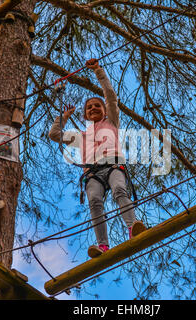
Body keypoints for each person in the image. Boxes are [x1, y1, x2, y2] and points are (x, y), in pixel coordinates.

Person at [48, 58, 146, 258]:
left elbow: (110, 96)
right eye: (89, 107)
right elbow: (54, 135)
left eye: (96, 106)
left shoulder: (111, 121)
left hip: (113, 165)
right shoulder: (81, 137)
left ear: (104, 110)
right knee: (94, 201)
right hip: (92, 172)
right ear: (84, 115)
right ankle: (103, 245)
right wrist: (64, 117)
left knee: (119, 189)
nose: (93, 108)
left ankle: (132, 228)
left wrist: (98, 71)